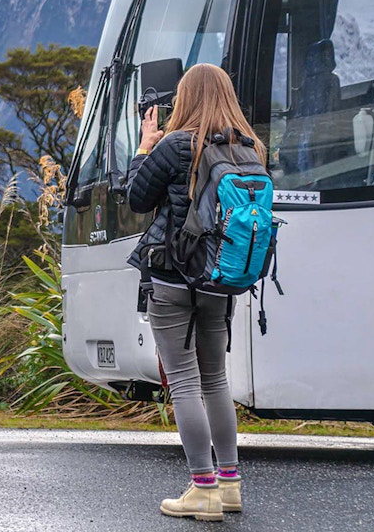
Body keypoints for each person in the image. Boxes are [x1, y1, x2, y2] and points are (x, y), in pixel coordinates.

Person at [126, 63, 265, 521]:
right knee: (216, 380)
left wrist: (144, 148)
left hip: (172, 276)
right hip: (221, 279)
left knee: (183, 381)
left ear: (185, 98)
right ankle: (229, 485)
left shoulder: (174, 144)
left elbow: (136, 200)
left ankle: (202, 489)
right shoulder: (250, 149)